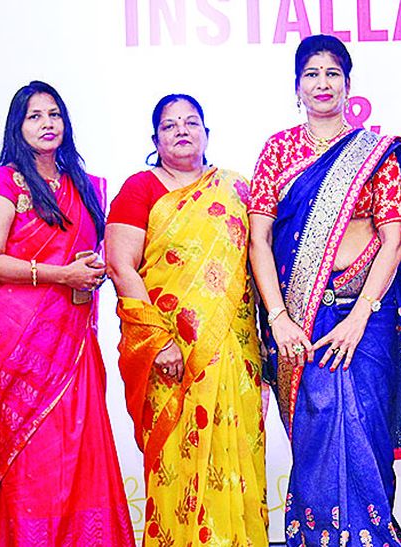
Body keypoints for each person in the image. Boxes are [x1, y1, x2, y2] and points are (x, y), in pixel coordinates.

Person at [249, 34, 401, 546]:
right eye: (311, 74)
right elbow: (259, 238)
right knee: (316, 438)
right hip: (300, 322)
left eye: (332, 73)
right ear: (297, 86)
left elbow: (393, 239)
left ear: (348, 84)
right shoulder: (278, 150)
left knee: (366, 431)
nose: (322, 83)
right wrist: (279, 318)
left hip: (366, 321)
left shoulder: (375, 151)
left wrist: (359, 317)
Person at [106, 94, 268, 545]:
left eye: (191, 122)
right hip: (172, 357)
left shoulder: (236, 189)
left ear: (206, 134)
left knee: (238, 456)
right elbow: (120, 267)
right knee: (177, 460)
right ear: (155, 139)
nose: (181, 130)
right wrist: (159, 340)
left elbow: (257, 265)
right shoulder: (139, 189)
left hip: (234, 353)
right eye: (170, 124)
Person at [0, 81, 134, 545]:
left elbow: (89, 254)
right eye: (35, 116)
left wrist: (91, 272)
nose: (47, 124)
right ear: (18, 126)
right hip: (20, 345)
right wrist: (61, 274)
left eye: (54, 115)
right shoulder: (2, 182)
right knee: (34, 461)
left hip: (74, 341)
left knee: (81, 452)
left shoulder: (83, 186)